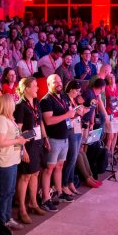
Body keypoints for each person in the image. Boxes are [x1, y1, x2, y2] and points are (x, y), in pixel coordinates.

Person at [0, 94, 28, 235]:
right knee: (4, 193)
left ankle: (7, 218)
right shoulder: (1, 120)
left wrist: (21, 137)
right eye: (12, 103)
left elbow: (12, 137)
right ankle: (2, 222)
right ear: (7, 105)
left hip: (12, 159)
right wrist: (18, 140)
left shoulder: (9, 119)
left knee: (10, 191)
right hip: (4, 161)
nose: (14, 105)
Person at [14, 77, 49, 221]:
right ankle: (22, 209)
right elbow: (18, 130)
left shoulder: (36, 102)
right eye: (35, 86)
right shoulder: (20, 106)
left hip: (38, 142)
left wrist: (45, 138)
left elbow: (40, 123)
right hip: (27, 145)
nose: (37, 88)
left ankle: (33, 203)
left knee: (35, 173)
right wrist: (23, 149)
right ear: (26, 88)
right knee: (25, 176)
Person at [39, 74, 76, 211]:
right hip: (53, 139)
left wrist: (74, 114)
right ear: (48, 84)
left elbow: (68, 115)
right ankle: (46, 199)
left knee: (59, 166)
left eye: (60, 81)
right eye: (55, 82)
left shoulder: (64, 97)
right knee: (49, 169)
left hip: (64, 136)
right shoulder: (46, 100)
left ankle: (60, 193)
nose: (59, 84)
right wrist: (67, 115)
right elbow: (48, 121)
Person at [104, 74, 118, 162]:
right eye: (109, 77)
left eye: (112, 77)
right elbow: (104, 101)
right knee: (110, 136)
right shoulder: (106, 88)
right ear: (107, 79)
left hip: (117, 113)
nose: (111, 79)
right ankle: (106, 157)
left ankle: (112, 153)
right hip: (109, 114)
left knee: (115, 134)